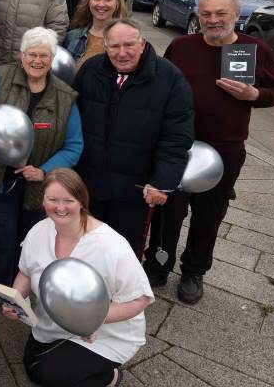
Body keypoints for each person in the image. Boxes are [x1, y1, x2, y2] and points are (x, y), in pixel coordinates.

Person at [144, 0, 274, 303]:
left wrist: (253, 95)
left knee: (209, 214)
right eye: (206, 14)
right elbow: (160, 84)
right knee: (168, 210)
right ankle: (158, 263)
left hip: (225, 148)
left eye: (220, 13)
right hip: (178, 146)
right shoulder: (182, 46)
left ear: (236, 15)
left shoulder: (254, 49)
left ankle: (194, 270)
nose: (212, 20)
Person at [5, 169, 153, 387]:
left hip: (104, 330)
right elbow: (26, 272)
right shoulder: (39, 231)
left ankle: (110, 377)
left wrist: (92, 319)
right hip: (55, 323)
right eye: (53, 200)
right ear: (43, 201)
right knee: (34, 371)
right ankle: (81, 368)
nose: (60, 208)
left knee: (56, 379)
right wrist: (16, 298)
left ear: (82, 202)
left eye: (68, 201)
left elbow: (140, 299)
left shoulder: (111, 245)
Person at [0, 27, 83, 319]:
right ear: (22, 56)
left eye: (43, 55)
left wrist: (43, 171)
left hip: (41, 185)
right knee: (1, 235)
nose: (36, 60)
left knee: (33, 240)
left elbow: (74, 145)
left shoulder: (64, 96)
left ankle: (21, 295)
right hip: (0, 175)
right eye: (31, 54)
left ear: (52, 58)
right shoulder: (1, 78)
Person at [72, 18, 195, 256]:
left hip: (135, 189)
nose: (122, 53)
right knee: (84, 248)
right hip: (89, 183)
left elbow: (177, 137)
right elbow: (72, 121)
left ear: (143, 44)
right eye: (114, 46)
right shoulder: (91, 70)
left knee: (123, 254)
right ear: (105, 47)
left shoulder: (169, 78)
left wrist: (162, 181)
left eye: (129, 45)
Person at [63, 0, 129, 68]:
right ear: (89, 2)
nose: (101, 4)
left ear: (117, 3)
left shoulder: (127, 39)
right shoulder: (72, 37)